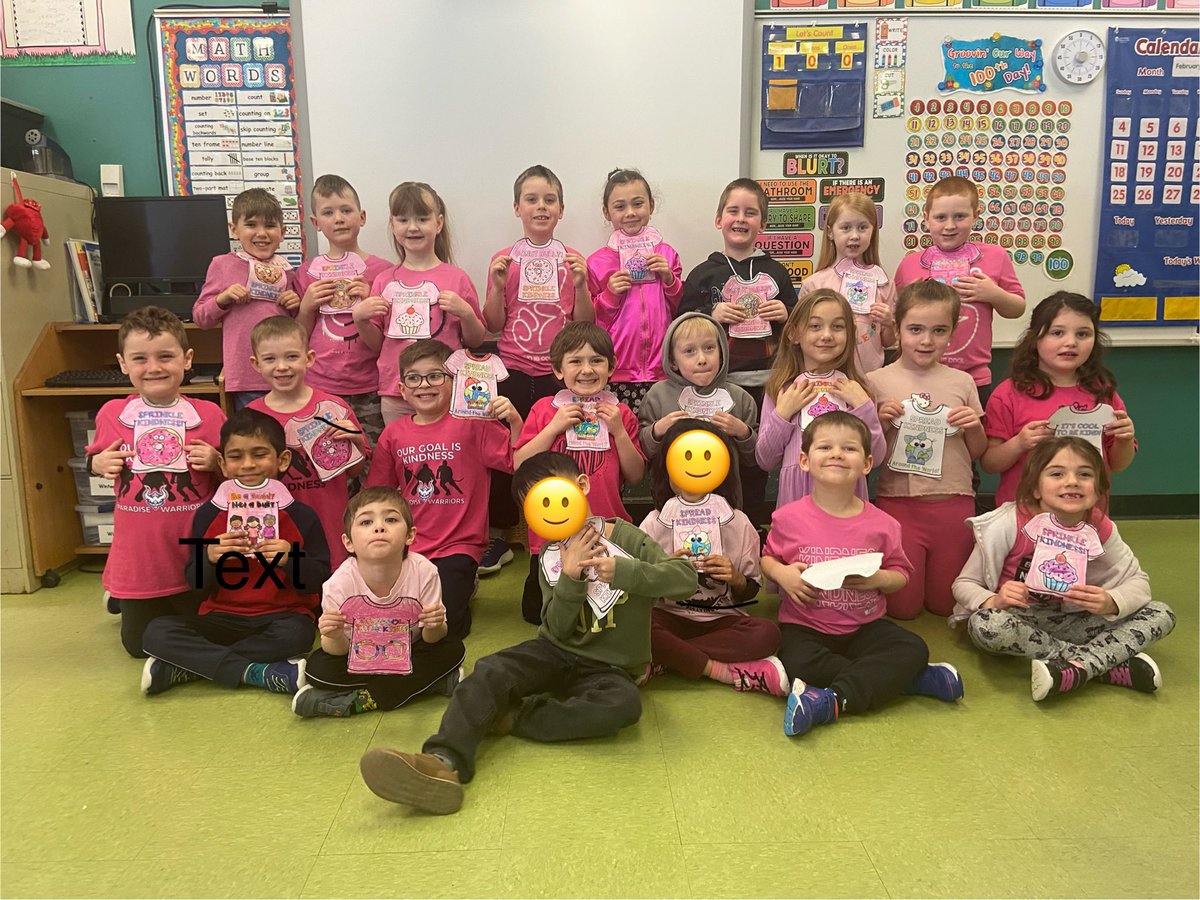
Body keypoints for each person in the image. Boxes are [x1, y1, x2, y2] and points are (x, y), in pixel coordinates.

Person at [357, 451, 697, 815]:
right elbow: (556, 627)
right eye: (536, 506)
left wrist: (625, 571)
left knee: (622, 706)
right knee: (490, 669)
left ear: (582, 486)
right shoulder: (550, 556)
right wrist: (570, 578)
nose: (550, 510)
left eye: (555, 495)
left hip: (611, 668)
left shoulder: (627, 537)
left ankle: (511, 717)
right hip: (555, 651)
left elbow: (685, 579)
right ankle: (441, 762)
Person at [760, 412, 964, 738]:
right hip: (805, 626)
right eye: (825, 447)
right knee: (796, 663)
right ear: (804, 460)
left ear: (867, 464)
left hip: (866, 627)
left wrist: (879, 579)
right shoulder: (787, 518)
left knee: (913, 648)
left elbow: (901, 573)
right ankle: (908, 680)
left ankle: (830, 701)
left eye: (849, 448)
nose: (837, 454)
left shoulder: (883, 524)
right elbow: (768, 559)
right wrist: (783, 574)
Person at [951, 436, 1175, 702]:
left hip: (1074, 621)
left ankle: (1076, 668)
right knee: (986, 623)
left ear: (1098, 489)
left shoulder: (1099, 528)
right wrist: (994, 600)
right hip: (1019, 621)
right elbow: (963, 584)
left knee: (1161, 613)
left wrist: (1111, 601)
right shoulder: (1009, 522)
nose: (1072, 481)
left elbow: (1138, 582)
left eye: (1085, 474)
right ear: (1035, 488)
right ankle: (1098, 664)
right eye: (1057, 473)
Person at [140, 409, 331, 696]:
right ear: (223, 463)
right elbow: (196, 584)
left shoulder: (302, 515)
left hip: (283, 617)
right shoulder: (208, 514)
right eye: (236, 456)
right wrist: (210, 558)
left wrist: (290, 559)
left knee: (298, 636)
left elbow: (319, 581)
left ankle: (191, 667)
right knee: (157, 631)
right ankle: (256, 672)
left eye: (259, 454)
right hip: (221, 617)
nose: (248, 464)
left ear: (282, 460)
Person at [86, 307, 225, 656]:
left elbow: (233, 477)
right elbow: (94, 459)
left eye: (165, 356)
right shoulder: (112, 414)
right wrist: (98, 463)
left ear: (187, 359)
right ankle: (122, 597)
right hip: (140, 559)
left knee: (206, 633)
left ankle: (127, 602)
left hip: (193, 556)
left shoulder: (209, 414)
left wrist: (216, 462)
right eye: (140, 358)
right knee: (138, 646)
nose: (154, 367)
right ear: (123, 364)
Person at [365, 340, 522, 638]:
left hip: (459, 546)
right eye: (414, 378)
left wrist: (513, 419)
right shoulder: (393, 434)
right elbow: (376, 495)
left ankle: (465, 584)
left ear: (454, 383)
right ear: (402, 389)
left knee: (445, 626)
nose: (424, 384)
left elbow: (517, 461)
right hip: (408, 545)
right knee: (391, 617)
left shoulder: (475, 423)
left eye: (435, 376)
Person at [482, 165, 594, 574]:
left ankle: (556, 527)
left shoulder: (572, 260)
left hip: (556, 375)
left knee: (556, 451)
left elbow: (586, 324)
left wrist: (581, 285)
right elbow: (493, 323)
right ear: (517, 208)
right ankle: (500, 534)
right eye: (531, 199)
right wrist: (497, 286)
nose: (541, 207)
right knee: (504, 454)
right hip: (511, 370)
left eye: (549, 200)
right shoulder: (505, 260)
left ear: (561, 209)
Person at [677, 178, 797, 525]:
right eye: (733, 211)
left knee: (756, 458)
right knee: (714, 454)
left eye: (750, 212)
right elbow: (680, 325)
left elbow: (799, 326)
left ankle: (751, 525)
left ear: (763, 224)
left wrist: (787, 313)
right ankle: (710, 523)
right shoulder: (703, 274)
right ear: (719, 219)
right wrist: (709, 314)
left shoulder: (776, 272)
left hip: (768, 383)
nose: (741, 218)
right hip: (719, 384)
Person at [866, 280, 986, 618]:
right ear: (897, 329)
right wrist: (881, 422)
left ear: (952, 334)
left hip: (954, 503)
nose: (926, 340)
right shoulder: (876, 381)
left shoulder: (962, 382)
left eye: (939, 331)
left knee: (944, 604)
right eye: (915, 329)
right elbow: (868, 456)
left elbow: (978, 452)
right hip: (899, 503)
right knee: (902, 609)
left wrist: (974, 426)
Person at [292, 487, 467, 717]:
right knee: (317, 669)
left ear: (410, 535)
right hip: (361, 656)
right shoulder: (337, 584)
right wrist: (333, 635)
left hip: (410, 650)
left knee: (453, 650)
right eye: (366, 522)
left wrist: (435, 626)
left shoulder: (425, 572)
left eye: (391, 519)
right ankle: (430, 685)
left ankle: (359, 701)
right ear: (348, 542)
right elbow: (337, 650)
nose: (379, 527)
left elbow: (432, 637)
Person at [639, 419, 785, 695]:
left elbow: (750, 591)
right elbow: (640, 589)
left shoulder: (739, 522)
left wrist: (736, 577)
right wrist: (664, 572)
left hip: (722, 620)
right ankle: (719, 670)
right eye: (683, 461)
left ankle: (668, 657)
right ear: (666, 468)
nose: (693, 473)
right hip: (668, 617)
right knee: (634, 625)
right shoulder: (654, 523)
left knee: (768, 633)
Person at [513, 322, 644, 624]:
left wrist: (619, 432)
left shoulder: (621, 414)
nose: (587, 369)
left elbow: (636, 475)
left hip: (607, 529)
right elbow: (520, 464)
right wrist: (554, 427)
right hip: (551, 534)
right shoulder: (545, 410)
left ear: (611, 367)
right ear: (558, 369)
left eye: (596, 360)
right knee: (537, 613)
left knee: (610, 611)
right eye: (575, 361)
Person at [982, 292, 1137, 507]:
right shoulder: (1008, 394)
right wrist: (1019, 443)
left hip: (1086, 514)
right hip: (1024, 514)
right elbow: (989, 463)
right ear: (1035, 338)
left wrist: (1125, 440)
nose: (1071, 342)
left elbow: (1118, 464)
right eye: (1057, 333)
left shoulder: (1103, 393)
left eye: (1083, 334)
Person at [352, 182, 486, 427]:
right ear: (392, 224)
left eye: (422, 219)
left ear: (439, 223)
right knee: (401, 448)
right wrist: (360, 319)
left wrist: (466, 313)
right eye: (403, 219)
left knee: (450, 448)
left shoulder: (457, 278)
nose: (413, 227)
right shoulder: (383, 280)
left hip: (446, 389)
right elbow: (377, 344)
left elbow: (476, 340)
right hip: (397, 390)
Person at [248, 316, 370, 569]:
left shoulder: (335, 408)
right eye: (270, 359)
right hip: (277, 532)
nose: (282, 367)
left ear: (309, 358)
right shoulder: (250, 417)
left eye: (292, 356)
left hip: (332, 527)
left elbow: (354, 472)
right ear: (256, 364)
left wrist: (356, 441)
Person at [893, 176, 1025, 404]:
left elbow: (1017, 308)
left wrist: (993, 294)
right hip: (918, 375)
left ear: (975, 215)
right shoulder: (910, 264)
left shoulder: (995, 256)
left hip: (973, 376)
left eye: (960, 216)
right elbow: (897, 319)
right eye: (940, 217)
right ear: (926, 218)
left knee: (970, 426)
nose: (950, 226)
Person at [755, 288, 885, 509]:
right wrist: (782, 415)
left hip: (848, 499)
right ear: (793, 334)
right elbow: (765, 460)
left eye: (838, 326)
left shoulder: (859, 389)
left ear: (850, 333)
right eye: (815, 326)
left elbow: (876, 457)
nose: (826, 335)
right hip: (796, 503)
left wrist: (864, 408)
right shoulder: (781, 389)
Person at [293, 174, 393, 448]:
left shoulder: (383, 272)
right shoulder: (306, 273)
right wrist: (306, 307)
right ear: (315, 223)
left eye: (346, 210)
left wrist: (369, 300)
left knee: (372, 457)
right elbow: (298, 338)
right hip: (321, 384)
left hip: (370, 385)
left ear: (362, 217)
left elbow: (384, 340)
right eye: (328, 213)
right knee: (328, 458)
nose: (338, 219)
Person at [192, 188, 301, 410]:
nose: (261, 233)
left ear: (282, 232)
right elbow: (201, 318)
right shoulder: (222, 265)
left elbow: (297, 324)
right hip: (246, 376)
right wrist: (223, 299)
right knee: (256, 430)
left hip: (286, 373)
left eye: (270, 226)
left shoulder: (287, 271)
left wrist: (295, 305)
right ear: (234, 230)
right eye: (251, 225)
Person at [585, 168, 683, 410]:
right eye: (620, 206)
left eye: (638, 204)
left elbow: (680, 308)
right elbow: (590, 320)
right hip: (616, 370)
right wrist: (610, 295)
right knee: (621, 429)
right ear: (607, 212)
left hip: (663, 369)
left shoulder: (666, 254)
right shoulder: (597, 262)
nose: (630, 212)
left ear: (651, 205)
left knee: (660, 429)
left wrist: (669, 279)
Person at [637, 312, 758, 501]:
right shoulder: (657, 395)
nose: (702, 359)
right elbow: (644, 451)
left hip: (726, 502)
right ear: (672, 361)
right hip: (669, 502)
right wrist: (657, 430)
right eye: (689, 351)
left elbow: (754, 459)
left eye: (709, 348)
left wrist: (743, 432)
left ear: (722, 352)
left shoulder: (740, 397)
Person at [799, 191, 896, 375]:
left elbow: (888, 341)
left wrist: (889, 323)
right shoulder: (814, 284)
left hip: (870, 378)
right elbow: (802, 339)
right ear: (830, 232)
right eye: (846, 228)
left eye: (862, 227)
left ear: (873, 231)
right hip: (825, 379)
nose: (854, 236)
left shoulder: (884, 284)